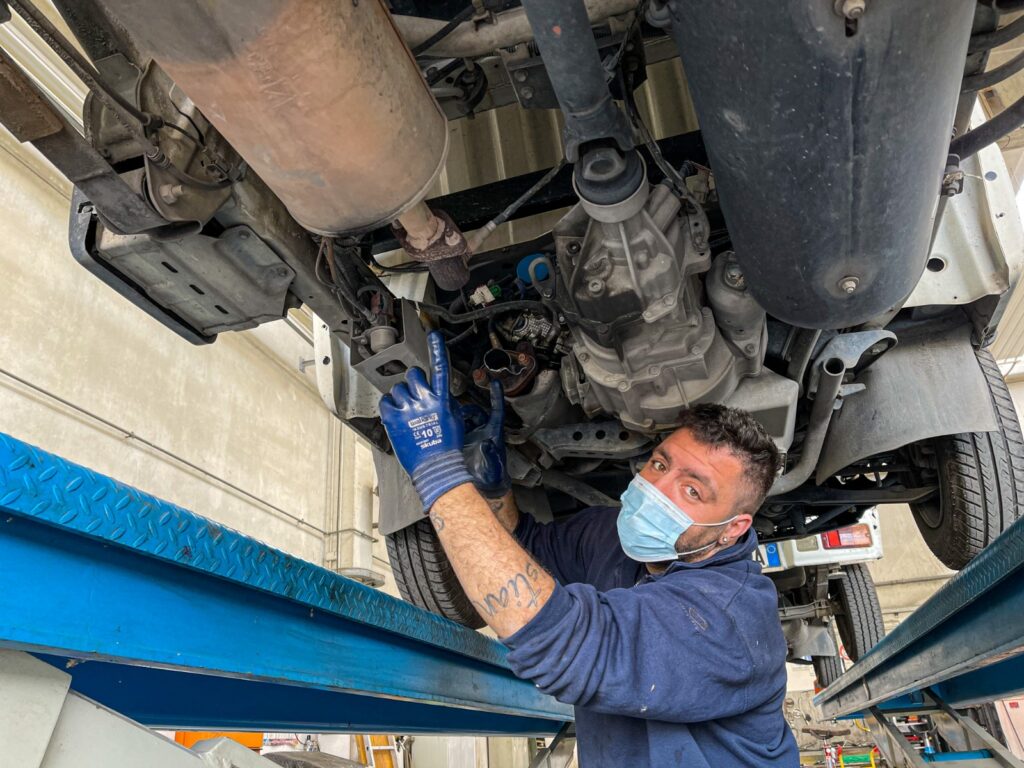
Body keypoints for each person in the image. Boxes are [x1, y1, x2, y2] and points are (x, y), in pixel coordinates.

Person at [379, 331, 799, 767]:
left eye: (692, 490)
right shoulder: (611, 537)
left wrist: (440, 471)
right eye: (660, 463)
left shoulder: (729, 621)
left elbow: (560, 647)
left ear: (732, 529)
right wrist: (493, 488)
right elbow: (527, 551)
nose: (658, 488)